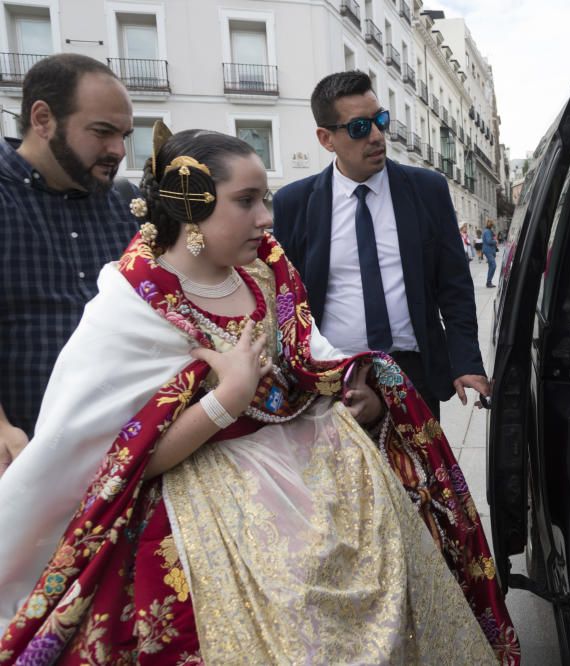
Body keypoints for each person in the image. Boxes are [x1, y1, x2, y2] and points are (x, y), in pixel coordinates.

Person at [0, 126, 518, 664]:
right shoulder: (132, 306)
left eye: (264, 199)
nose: (266, 218)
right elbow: (120, 461)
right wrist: (228, 398)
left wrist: (353, 394)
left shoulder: (266, 274)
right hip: (214, 520)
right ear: (188, 208)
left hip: (329, 484)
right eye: (246, 202)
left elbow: (311, 361)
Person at [272, 71, 489, 419]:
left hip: (413, 373)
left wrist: (465, 362)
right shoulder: (293, 203)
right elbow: (286, 300)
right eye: (359, 128)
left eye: (380, 121)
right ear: (326, 138)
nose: (376, 136)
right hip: (334, 377)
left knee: (419, 474)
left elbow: (454, 286)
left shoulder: (427, 190)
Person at [0, 54, 136, 470]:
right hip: (23, 459)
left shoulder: (127, 208)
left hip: (122, 456)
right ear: (43, 119)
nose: (118, 150)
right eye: (102, 132)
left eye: (124, 134)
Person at [483, 220, 498, 288]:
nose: (493, 228)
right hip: (488, 251)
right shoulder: (487, 232)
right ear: (491, 226)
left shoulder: (488, 231)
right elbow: (489, 241)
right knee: (493, 265)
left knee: (491, 266)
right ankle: (489, 282)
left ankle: (489, 282)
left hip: (490, 250)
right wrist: (495, 241)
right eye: (492, 226)